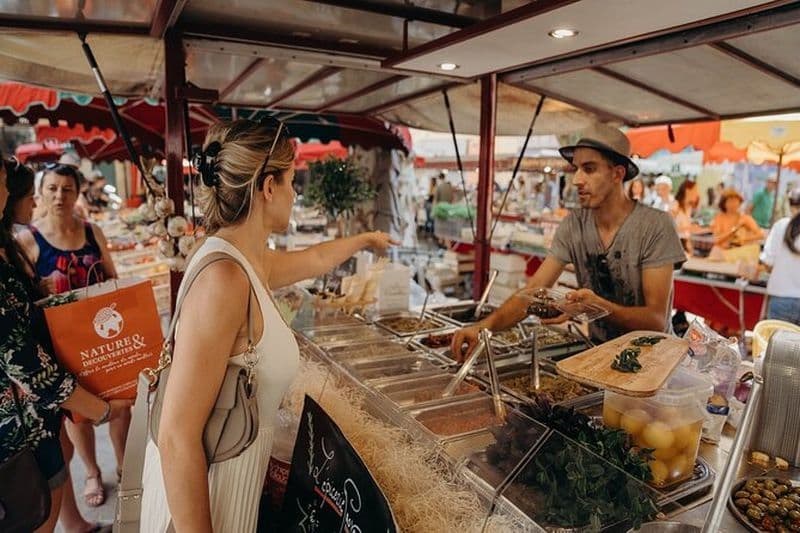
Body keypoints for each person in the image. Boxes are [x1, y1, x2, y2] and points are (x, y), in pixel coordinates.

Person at [140, 119, 396, 531]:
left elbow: (313, 261)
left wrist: (365, 240)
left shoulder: (246, 260)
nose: (296, 194)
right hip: (205, 502)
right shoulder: (224, 280)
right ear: (267, 187)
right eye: (293, 181)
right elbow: (176, 437)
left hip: (233, 485)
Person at [451, 124, 686, 357]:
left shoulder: (655, 225)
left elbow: (655, 320)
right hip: (599, 354)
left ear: (617, 174)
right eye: (576, 169)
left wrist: (598, 307)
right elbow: (534, 291)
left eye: (589, 169)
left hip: (653, 361)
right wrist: (482, 327)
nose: (577, 180)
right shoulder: (574, 225)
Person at [0, 156, 130, 533]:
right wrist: (99, 409)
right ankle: (89, 484)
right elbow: (26, 362)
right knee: (37, 507)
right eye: (7, 182)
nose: (10, 192)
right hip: (23, 426)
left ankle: (83, 514)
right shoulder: (24, 241)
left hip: (40, 411)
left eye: (66, 189)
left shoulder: (84, 232)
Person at [761, 188, 800, 323]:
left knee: (778, 344)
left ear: (791, 205)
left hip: (781, 298)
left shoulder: (781, 226)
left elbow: (768, 262)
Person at [672, 180, 700, 255]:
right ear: (687, 190)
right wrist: (689, 228)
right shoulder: (675, 205)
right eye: (695, 190)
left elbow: (687, 232)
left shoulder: (689, 208)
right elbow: (668, 228)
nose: (697, 193)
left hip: (684, 244)